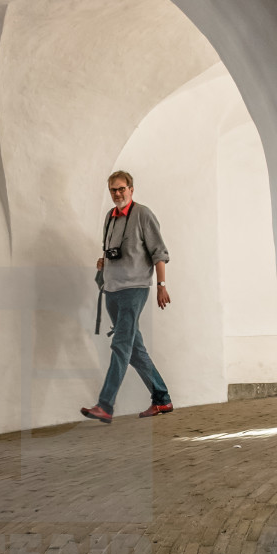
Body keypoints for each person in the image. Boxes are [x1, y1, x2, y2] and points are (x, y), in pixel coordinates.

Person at [81, 170, 173, 423]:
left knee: (121, 345)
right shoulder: (109, 218)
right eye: (113, 190)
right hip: (111, 290)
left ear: (131, 189)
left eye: (122, 189)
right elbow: (115, 251)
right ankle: (162, 399)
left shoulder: (143, 214)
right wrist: (104, 264)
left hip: (134, 290)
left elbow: (159, 252)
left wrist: (161, 285)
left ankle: (105, 405)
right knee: (134, 349)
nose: (118, 194)